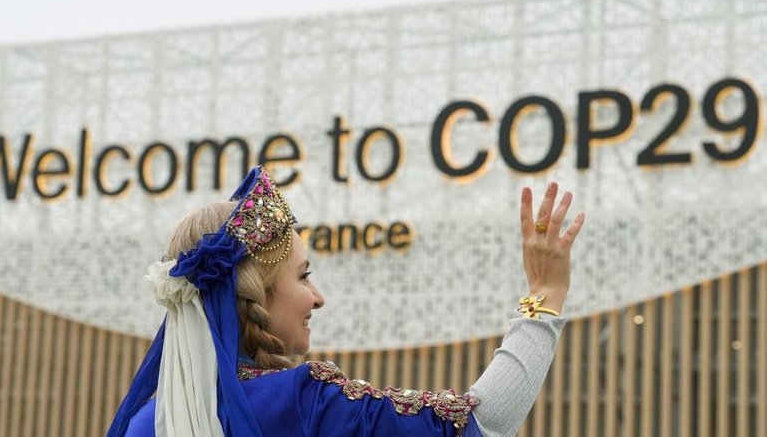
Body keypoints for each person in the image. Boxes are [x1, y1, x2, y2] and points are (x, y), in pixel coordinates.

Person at [107, 165, 585, 437]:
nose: (318, 297)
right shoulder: (301, 401)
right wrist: (544, 296)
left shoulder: (147, 421)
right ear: (255, 293)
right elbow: (484, 422)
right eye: (304, 276)